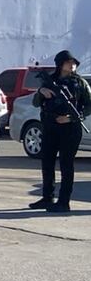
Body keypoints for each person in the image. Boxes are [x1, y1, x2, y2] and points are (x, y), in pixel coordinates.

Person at [29, 50, 91, 213]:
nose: (72, 65)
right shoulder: (50, 81)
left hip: (70, 128)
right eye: (69, 62)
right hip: (50, 127)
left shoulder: (80, 83)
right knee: (47, 162)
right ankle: (47, 197)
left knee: (66, 164)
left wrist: (71, 118)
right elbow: (36, 103)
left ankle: (64, 201)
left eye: (74, 63)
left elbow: (89, 106)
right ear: (60, 64)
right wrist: (40, 92)